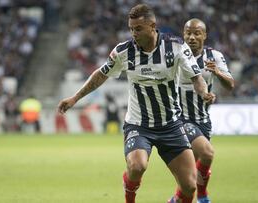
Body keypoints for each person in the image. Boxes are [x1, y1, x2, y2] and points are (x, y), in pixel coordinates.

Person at [57, 4, 215, 203]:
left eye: (138, 29)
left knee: (189, 186)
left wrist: (204, 93)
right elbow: (100, 75)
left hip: (171, 126)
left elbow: (196, 77)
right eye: (131, 29)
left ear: (152, 26)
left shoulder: (176, 47)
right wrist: (74, 98)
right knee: (137, 166)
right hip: (139, 125)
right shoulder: (123, 51)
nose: (133, 33)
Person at [180, 18, 235, 203]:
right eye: (188, 33)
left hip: (202, 119)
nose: (192, 37)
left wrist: (218, 73)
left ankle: (176, 199)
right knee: (207, 153)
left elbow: (230, 85)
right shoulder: (175, 56)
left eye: (197, 33)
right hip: (180, 119)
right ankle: (203, 196)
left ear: (205, 35)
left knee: (189, 175)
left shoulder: (214, 56)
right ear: (183, 35)